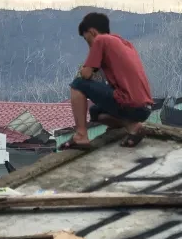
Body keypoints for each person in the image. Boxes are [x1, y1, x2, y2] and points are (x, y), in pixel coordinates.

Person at [66, 12, 154, 149]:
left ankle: (81, 136)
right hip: (144, 108)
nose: (88, 44)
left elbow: (86, 74)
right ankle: (132, 126)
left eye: (86, 39)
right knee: (96, 113)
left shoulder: (101, 40)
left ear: (92, 32)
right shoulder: (124, 43)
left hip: (130, 103)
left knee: (77, 84)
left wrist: (87, 61)